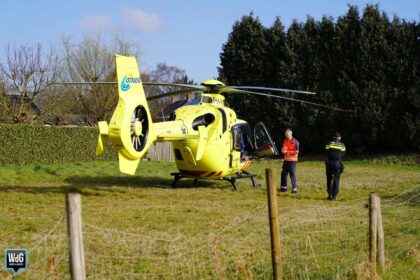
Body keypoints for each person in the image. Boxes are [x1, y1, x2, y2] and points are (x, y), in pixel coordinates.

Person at [325, 132, 346, 201]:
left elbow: (326, 152)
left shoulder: (329, 143)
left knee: (329, 179)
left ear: (333, 138)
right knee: (336, 180)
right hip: (337, 164)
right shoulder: (342, 145)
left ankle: (329, 195)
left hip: (329, 163)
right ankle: (334, 196)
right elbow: (343, 154)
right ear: (339, 138)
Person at [280, 129, 299, 193]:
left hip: (292, 161)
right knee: (283, 174)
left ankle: (294, 189)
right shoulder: (285, 141)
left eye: (287, 134)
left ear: (291, 134)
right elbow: (283, 148)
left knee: (292, 175)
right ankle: (283, 188)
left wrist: (287, 152)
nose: (286, 135)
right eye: (285, 134)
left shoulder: (295, 142)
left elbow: (296, 152)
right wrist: (282, 150)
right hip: (286, 160)